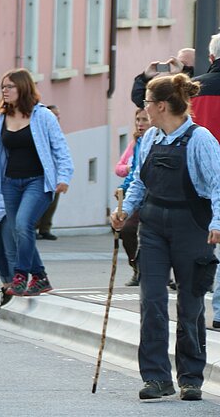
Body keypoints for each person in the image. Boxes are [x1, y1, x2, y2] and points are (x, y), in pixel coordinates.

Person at [110, 73, 220, 401]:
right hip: (153, 226)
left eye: (146, 102)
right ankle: (156, 378)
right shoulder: (151, 139)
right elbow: (140, 183)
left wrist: (218, 222)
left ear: (160, 105)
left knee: (189, 305)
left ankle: (190, 378)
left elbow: (217, 184)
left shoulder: (200, 140)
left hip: (192, 227)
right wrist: (125, 211)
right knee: (153, 302)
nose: (144, 109)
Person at [0, 69, 73, 297]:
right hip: (10, 183)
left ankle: (21, 274)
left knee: (24, 224)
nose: (4, 91)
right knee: (17, 230)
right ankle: (41, 277)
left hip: (38, 182)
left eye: (9, 87)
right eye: (3, 87)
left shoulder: (42, 116)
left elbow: (60, 147)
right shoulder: (3, 116)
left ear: (23, 88)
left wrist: (64, 176)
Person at [193, 34, 220, 329]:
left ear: (211, 58)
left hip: (196, 177)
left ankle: (194, 304)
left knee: (199, 245)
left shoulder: (193, 89)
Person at [116, 109, 151, 286]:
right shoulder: (138, 142)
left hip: (156, 195)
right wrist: (123, 188)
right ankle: (136, 267)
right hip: (139, 193)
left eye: (144, 119)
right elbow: (134, 172)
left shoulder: (158, 138)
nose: (140, 123)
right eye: (138, 119)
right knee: (127, 229)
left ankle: (164, 273)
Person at [130, 48, 195, 109]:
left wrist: (185, 71)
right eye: (178, 62)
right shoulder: (170, 89)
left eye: (183, 64)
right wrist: (145, 78)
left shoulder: (198, 87)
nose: (178, 65)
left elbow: (194, 89)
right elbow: (143, 102)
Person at [36, 104, 64, 240]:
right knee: (38, 200)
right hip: (40, 173)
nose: (57, 118)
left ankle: (45, 228)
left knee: (52, 202)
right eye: (55, 115)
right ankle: (34, 227)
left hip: (55, 173)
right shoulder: (39, 131)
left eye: (58, 115)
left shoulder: (57, 132)